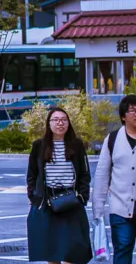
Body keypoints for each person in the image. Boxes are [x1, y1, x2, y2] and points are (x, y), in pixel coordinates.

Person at [26, 106, 92, 264]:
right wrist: (34, 196)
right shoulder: (39, 145)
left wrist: (82, 196)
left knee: (74, 251)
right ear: (49, 123)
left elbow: (84, 174)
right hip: (48, 202)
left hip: (71, 201)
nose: (60, 123)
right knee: (52, 252)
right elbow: (32, 175)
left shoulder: (76, 145)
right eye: (55, 120)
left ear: (68, 123)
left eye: (63, 120)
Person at [93, 94, 136, 263]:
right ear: (123, 116)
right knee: (122, 250)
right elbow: (102, 175)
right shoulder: (112, 139)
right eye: (132, 110)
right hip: (120, 209)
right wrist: (98, 210)